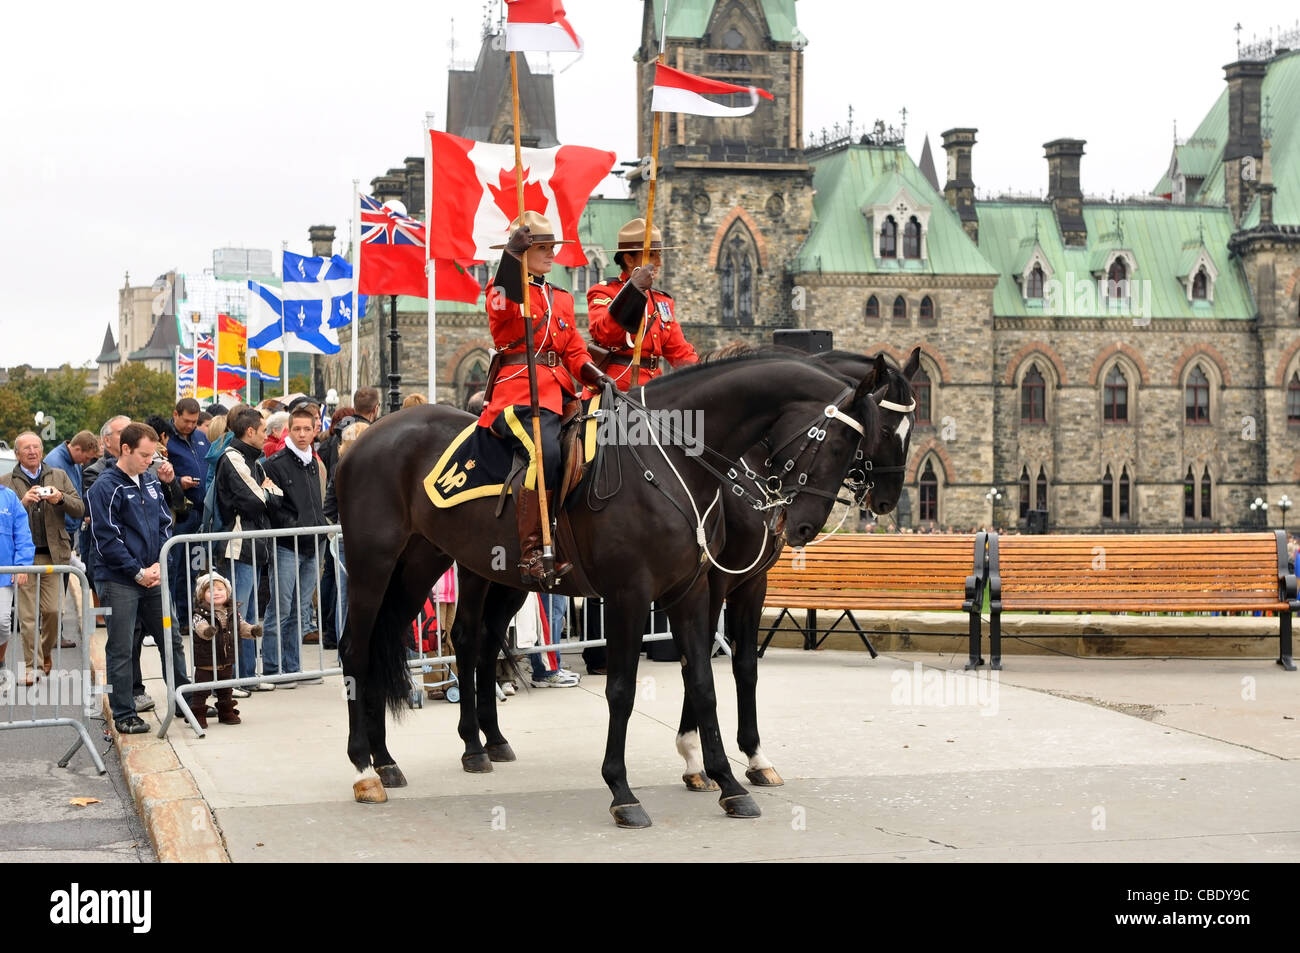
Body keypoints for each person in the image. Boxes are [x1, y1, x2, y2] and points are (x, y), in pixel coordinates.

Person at [480, 210, 614, 586]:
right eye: (542, 247)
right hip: (517, 394)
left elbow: (573, 350)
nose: (551, 253)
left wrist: (597, 375)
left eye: (552, 246)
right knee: (545, 453)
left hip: (559, 395)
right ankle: (532, 551)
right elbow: (501, 308)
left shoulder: (561, 298)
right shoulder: (503, 290)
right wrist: (510, 256)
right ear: (523, 251)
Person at [87, 423, 191, 734]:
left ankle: (183, 698)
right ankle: (123, 713)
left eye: (153, 455)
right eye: (145, 455)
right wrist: (137, 571)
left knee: (170, 640)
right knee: (121, 646)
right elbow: (106, 537)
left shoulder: (150, 480)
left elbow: (164, 524)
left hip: (153, 574)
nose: (151, 461)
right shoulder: (104, 487)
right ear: (126, 450)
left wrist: (159, 563)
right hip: (119, 579)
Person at [0, 432, 84, 683]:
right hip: (22, 559)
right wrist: (23, 502)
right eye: (26, 448)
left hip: (53, 555)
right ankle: (32, 666)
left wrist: (60, 499)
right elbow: (7, 517)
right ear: (17, 454)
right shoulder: (6, 482)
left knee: (53, 612)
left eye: (36, 446)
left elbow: (79, 508)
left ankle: (45, 652)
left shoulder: (58, 475)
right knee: (27, 616)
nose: (32, 451)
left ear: (42, 449)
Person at [587, 218, 699, 391]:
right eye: (652, 255)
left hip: (655, 387)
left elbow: (680, 352)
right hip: (617, 385)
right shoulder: (604, 292)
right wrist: (633, 291)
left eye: (659, 254)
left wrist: (705, 374)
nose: (659, 263)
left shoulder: (662, 301)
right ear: (629, 260)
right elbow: (605, 335)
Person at [212, 407, 278, 689]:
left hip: (254, 546)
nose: (266, 436)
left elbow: (276, 498)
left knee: (249, 615)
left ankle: (248, 676)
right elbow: (257, 500)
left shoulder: (254, 460)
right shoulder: (232, 458)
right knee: (234, 615)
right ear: (250, 432)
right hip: (237, 547)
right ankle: (232, 678)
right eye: (264, 431)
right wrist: (266, 492)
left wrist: (266, 493)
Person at [260, 404, 327, 685]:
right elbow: (273, 506)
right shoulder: (274, 464)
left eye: (307, 429)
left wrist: (322, 526)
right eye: (297, 429)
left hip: (314, 543)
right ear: (289, 429)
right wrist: (296, 526)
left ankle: (293, 665)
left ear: (314, 431)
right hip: (288, 544)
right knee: (281, 607)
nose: (302, 434)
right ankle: (274, 669)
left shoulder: (314, 460)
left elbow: (318, 500)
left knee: (301, 608)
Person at [190, 571, 260, 727]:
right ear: (202, 595)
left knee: (226, 688)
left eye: (220, 589)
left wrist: (252, 630)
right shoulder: (199, 613)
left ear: (227, 592)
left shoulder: (233, 611)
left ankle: (226, 712)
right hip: (206, 659)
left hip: (226, 658)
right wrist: (207, 631)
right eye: (210, 590)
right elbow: (199, 626)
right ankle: (198, 714)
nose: (216, 593)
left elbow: (241, 625)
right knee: (201, 689)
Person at [164, 398, 210, 628]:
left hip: (200, 514)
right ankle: (171, 618)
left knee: (192, 569)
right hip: (178, 514)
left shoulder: (201, 438)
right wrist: (178, 482)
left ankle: (186, 617)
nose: (191, 425)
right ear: (175, 414)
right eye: (186, 421)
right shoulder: (166, 439)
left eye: (194, 421)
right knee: (174, 567)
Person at [0, 480, 35, 671]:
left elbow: (22, 534)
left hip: (3, 576)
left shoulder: (9, 497)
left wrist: (22, 565)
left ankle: (0, 662)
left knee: (2, 623)